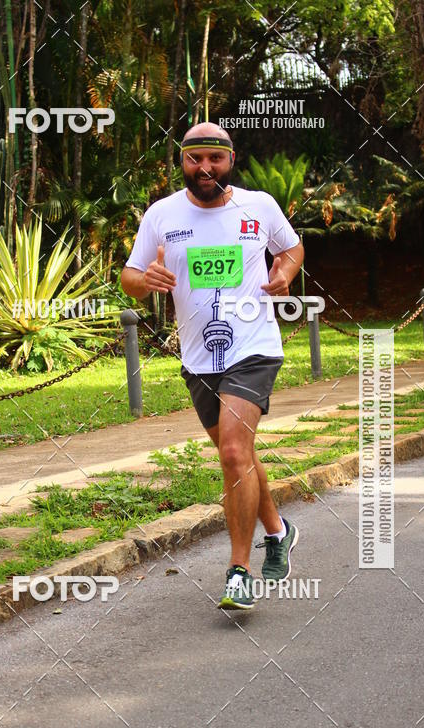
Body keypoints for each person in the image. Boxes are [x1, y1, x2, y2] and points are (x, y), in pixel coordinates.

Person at [120, 122, 304, 610]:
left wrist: (283, 273)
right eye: (193, 159)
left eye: (214, 159)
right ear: (183, 162)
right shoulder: (162, 214)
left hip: (254, 345)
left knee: (230, 452)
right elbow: (130, 276)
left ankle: (238, 571)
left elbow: (291, 247)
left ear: (231, 159)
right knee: (238, 455)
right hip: (198, 356)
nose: (204, 169)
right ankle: (279, 530)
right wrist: (146, 279)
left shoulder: (259, 206)